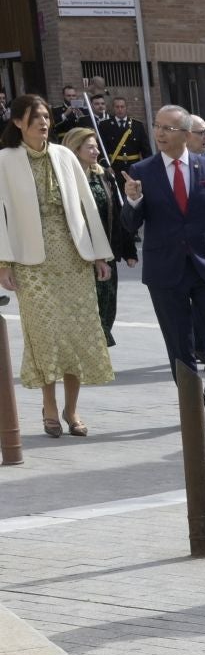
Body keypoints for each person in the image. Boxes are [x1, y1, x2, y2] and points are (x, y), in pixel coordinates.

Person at [121, 105, 205, 423]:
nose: (160, 133)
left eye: (168, 128)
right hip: (166, 270)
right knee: (180, 345)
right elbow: (129, 225)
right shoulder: (142, 172)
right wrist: (133, 200)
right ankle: (191, 402)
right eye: (157, 126)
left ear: (186, 134)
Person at [0, 95, 115, 437]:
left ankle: (72, 409)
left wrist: (98, 254)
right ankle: (49, 407)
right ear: (19, 122)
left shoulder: (65, 155)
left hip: (72, 255)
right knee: (45, 335)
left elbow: (87, 208)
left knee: (78, 332)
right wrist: (3, 262)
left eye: (46, 117)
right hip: (31, 262)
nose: (43, 123)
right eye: (35, 117)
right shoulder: (5, 160)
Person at [61, 126, 139, 349]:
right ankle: (93, 350)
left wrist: (129, 249)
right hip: (79, 254)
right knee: (87, 306)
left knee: (107, 303)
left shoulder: (105, 175)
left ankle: (97, 346)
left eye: (96, 147)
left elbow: (116, 211)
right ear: (75, 149)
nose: (96, 151)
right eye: (90, 147)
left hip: (107, 249)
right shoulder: (64, 180)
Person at [97, 96, 153, 174]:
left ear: (126, 108)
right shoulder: (105, 125)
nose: (120, 109)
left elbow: (146, 150)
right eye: (117, 107)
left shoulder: (137, 125)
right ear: (113, 108)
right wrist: (106, 166)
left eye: (122, 107)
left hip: (134, 167)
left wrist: (147, 167)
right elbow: (101, 148)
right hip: (114, 168)